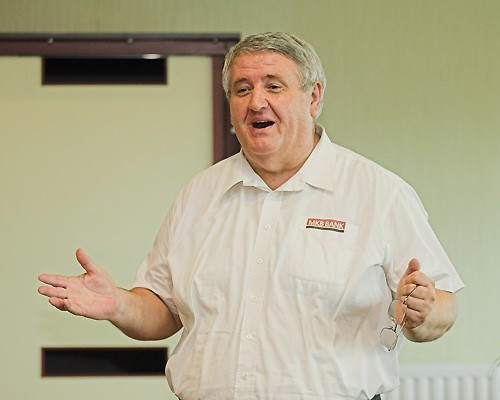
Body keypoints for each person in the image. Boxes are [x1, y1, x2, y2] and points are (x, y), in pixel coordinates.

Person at [38, 32, 464, 400]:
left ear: (313, 97)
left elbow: (443, 305)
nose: (256, 101)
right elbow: (163, 310)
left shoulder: (379, 193)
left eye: (274, 86)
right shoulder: (198, 195)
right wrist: (119, 304)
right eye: (242, 89)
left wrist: (424, 310)